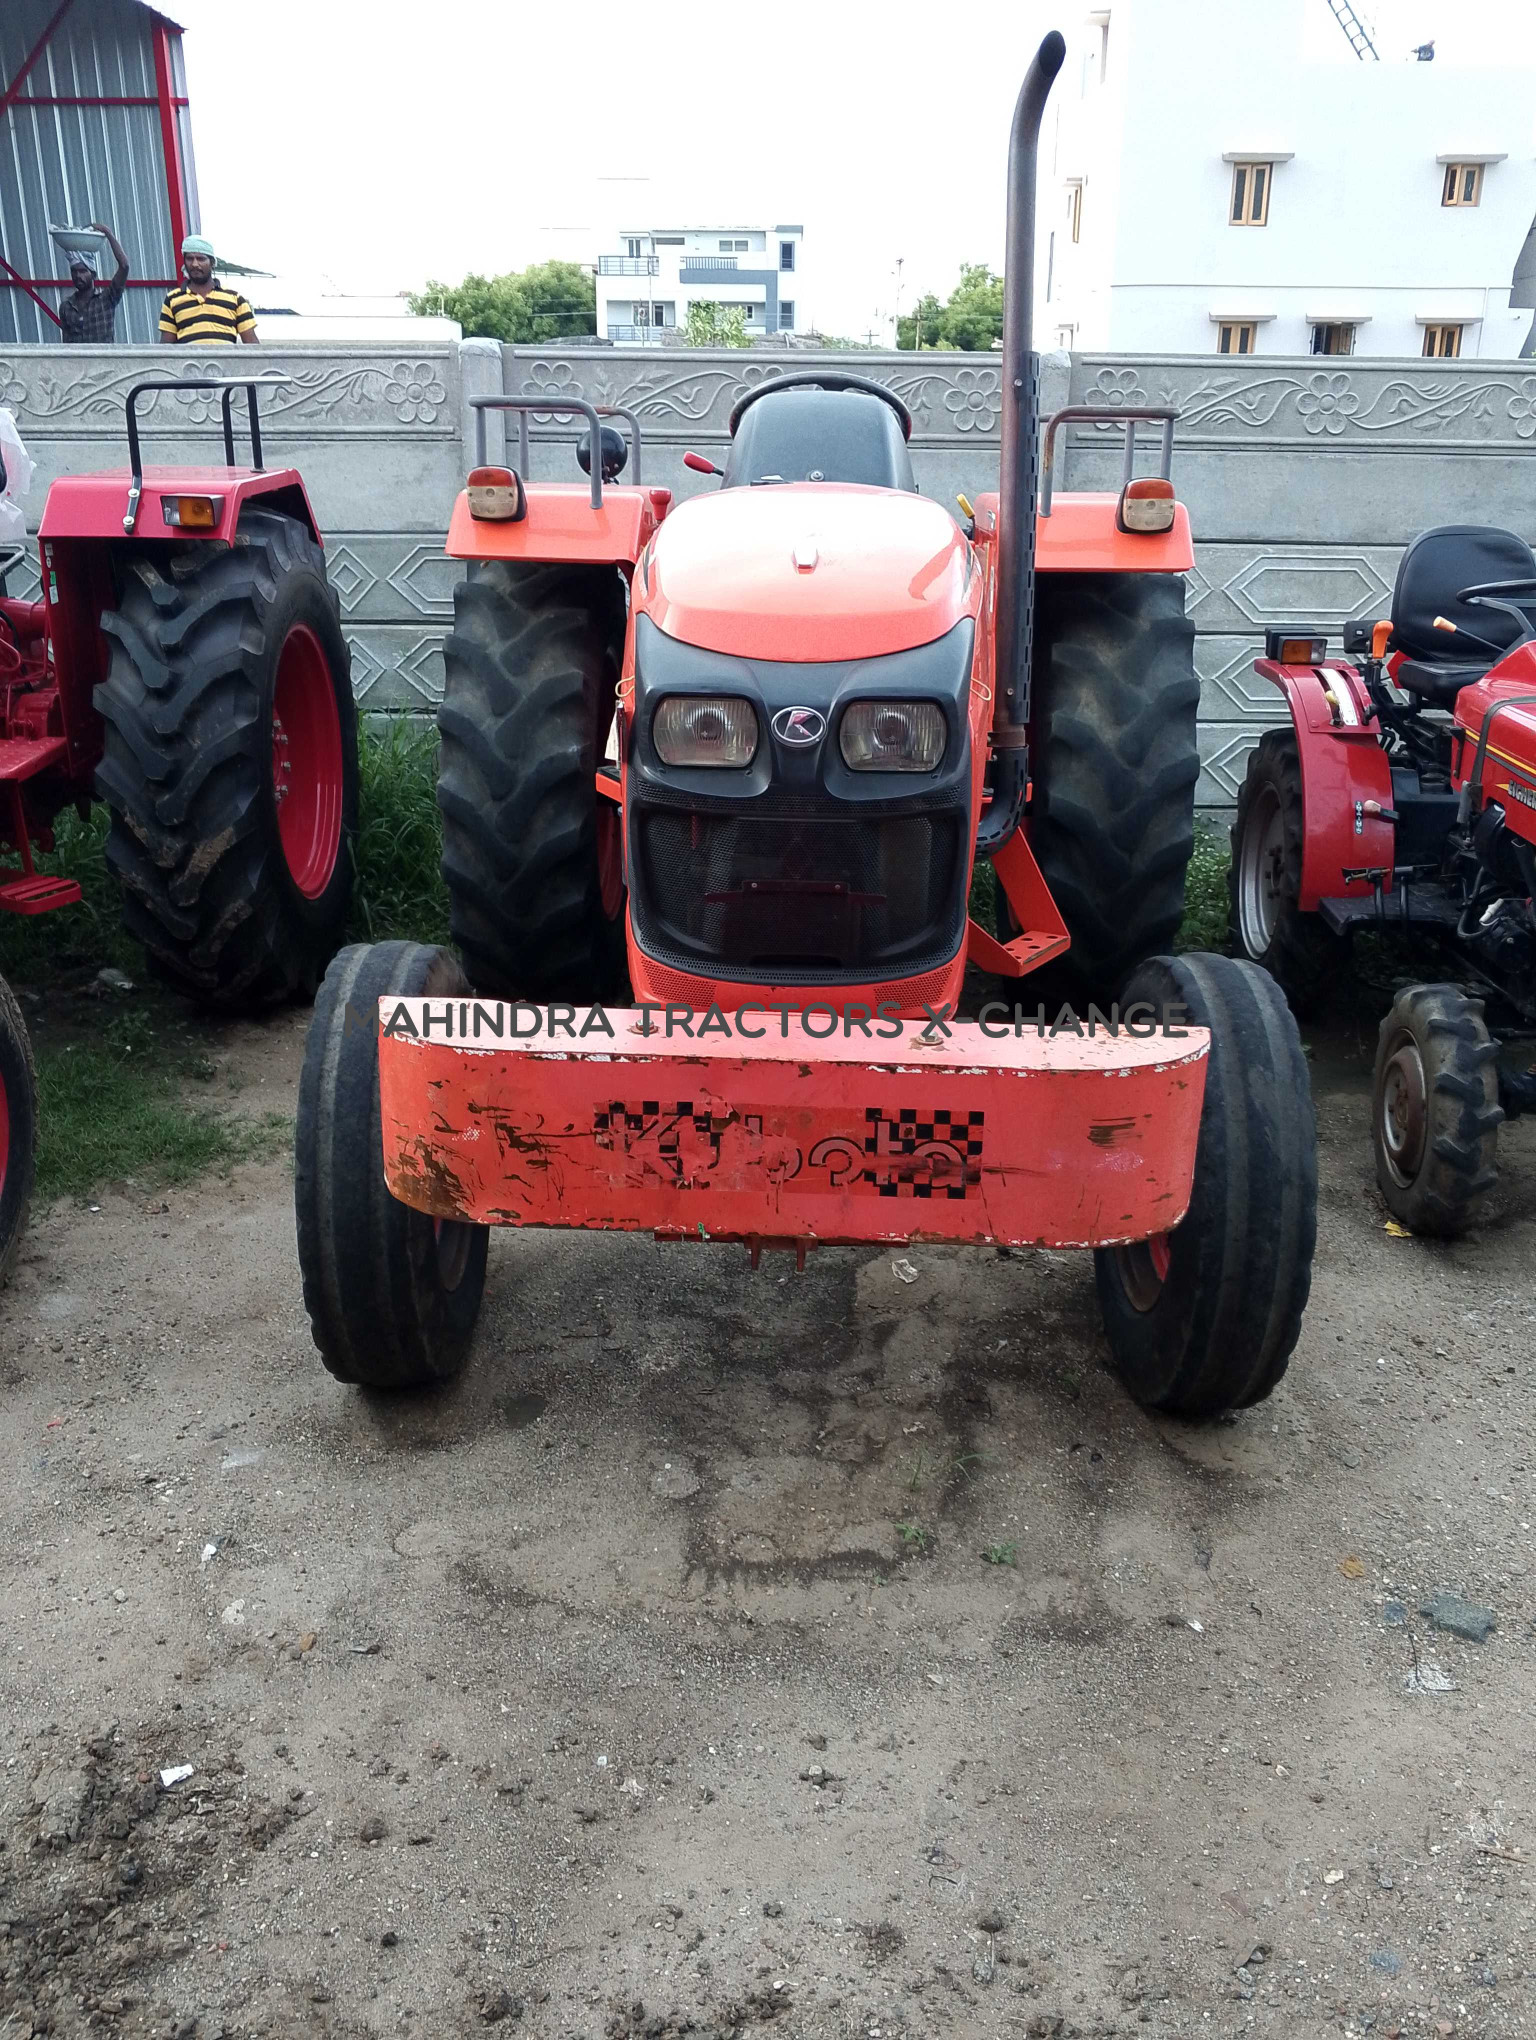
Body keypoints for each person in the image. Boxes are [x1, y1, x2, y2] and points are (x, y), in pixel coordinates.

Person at [158, 235, 258, 346]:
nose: (195, 264)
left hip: (225, 363)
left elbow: (252, 346)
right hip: (189, 363)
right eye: (190, 258)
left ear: (212, 263)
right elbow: (166, 348)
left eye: (201, 259)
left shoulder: (235, 299)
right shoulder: (172, 299)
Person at [58, 223, 129, 344]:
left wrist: (108, 233)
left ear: (93, 274)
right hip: (78, 362)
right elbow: (66, 344)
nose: (78, 276)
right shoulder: (66, 307)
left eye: (83, 271)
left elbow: (124, 266)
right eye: (74, 272)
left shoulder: (107, 299)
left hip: (103, 362)